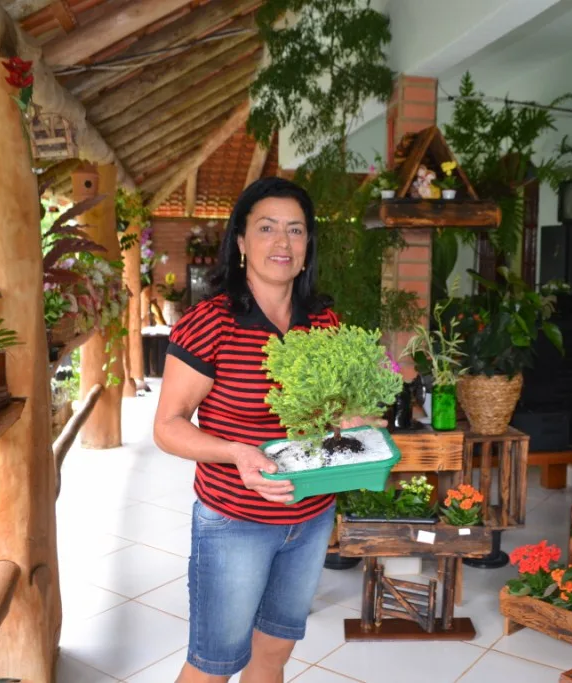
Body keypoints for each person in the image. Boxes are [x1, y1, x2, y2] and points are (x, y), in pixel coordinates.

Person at [153, 177, 373, 683]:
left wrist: (349, 417)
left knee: (273, 652)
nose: (282, 242)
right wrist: (236, 452)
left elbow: (336, 409)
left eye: (295, 230)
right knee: (212, 667)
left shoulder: (324, 322)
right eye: (267, 228)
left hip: (312, 517)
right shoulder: (210, 323)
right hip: (235, 522)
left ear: (307, 246)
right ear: (241, 242)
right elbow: (167, 427)